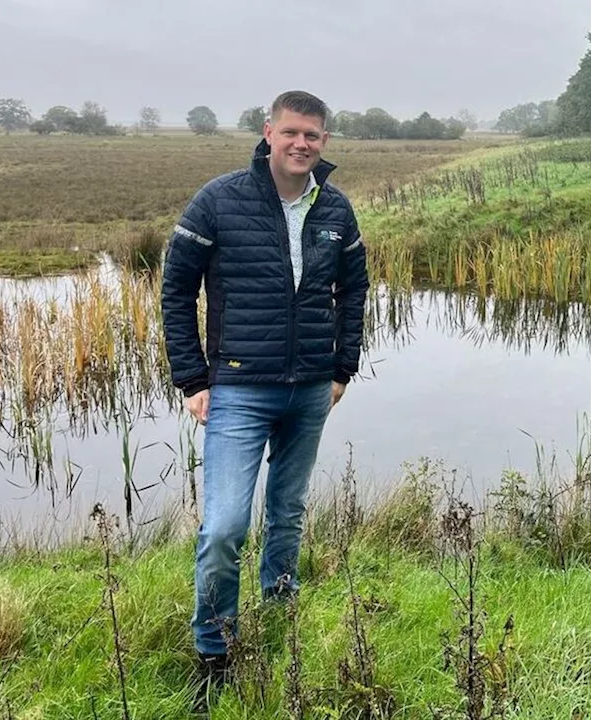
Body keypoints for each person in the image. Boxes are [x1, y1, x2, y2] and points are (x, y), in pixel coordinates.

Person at [160, 89, 368, 700]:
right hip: (238, 388)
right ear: (268, 132)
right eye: (292, 132)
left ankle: (280, 620)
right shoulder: (219, 200)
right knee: (224, 525)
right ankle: (213, 649)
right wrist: (192, 379)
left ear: (324, 142)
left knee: (288, 513)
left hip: (309, 388)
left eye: (314, 135)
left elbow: (353, 293)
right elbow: (176, 292)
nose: (302, 143)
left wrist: (341, 370)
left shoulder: (336, 210)